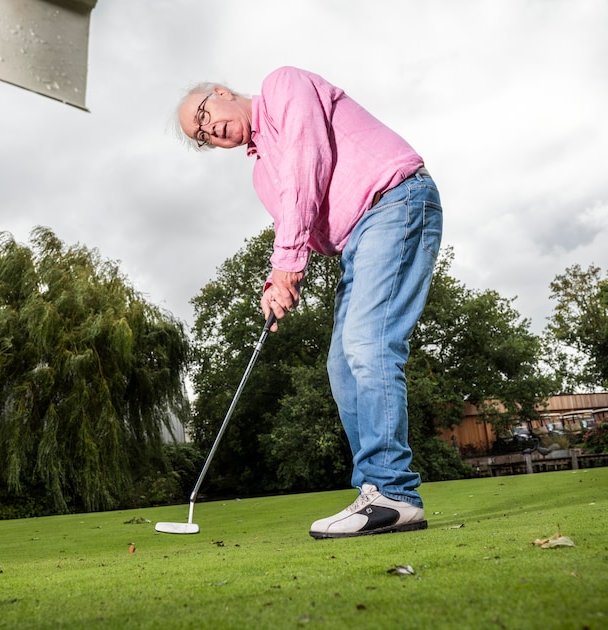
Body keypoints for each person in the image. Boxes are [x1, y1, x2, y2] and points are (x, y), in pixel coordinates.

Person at [176, 66, 442, 539]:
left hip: (395, 202)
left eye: (204, 115)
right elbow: (304, 231)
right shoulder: (261, 176)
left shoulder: (283, 86)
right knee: (342, 367)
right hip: (356, 243)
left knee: (367, 345)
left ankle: (393, 492)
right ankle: (377, 494)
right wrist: (278, 284)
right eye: (201, 137)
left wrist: (287, 262)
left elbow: (307, 158)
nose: (209, 130)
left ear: (221, 93)